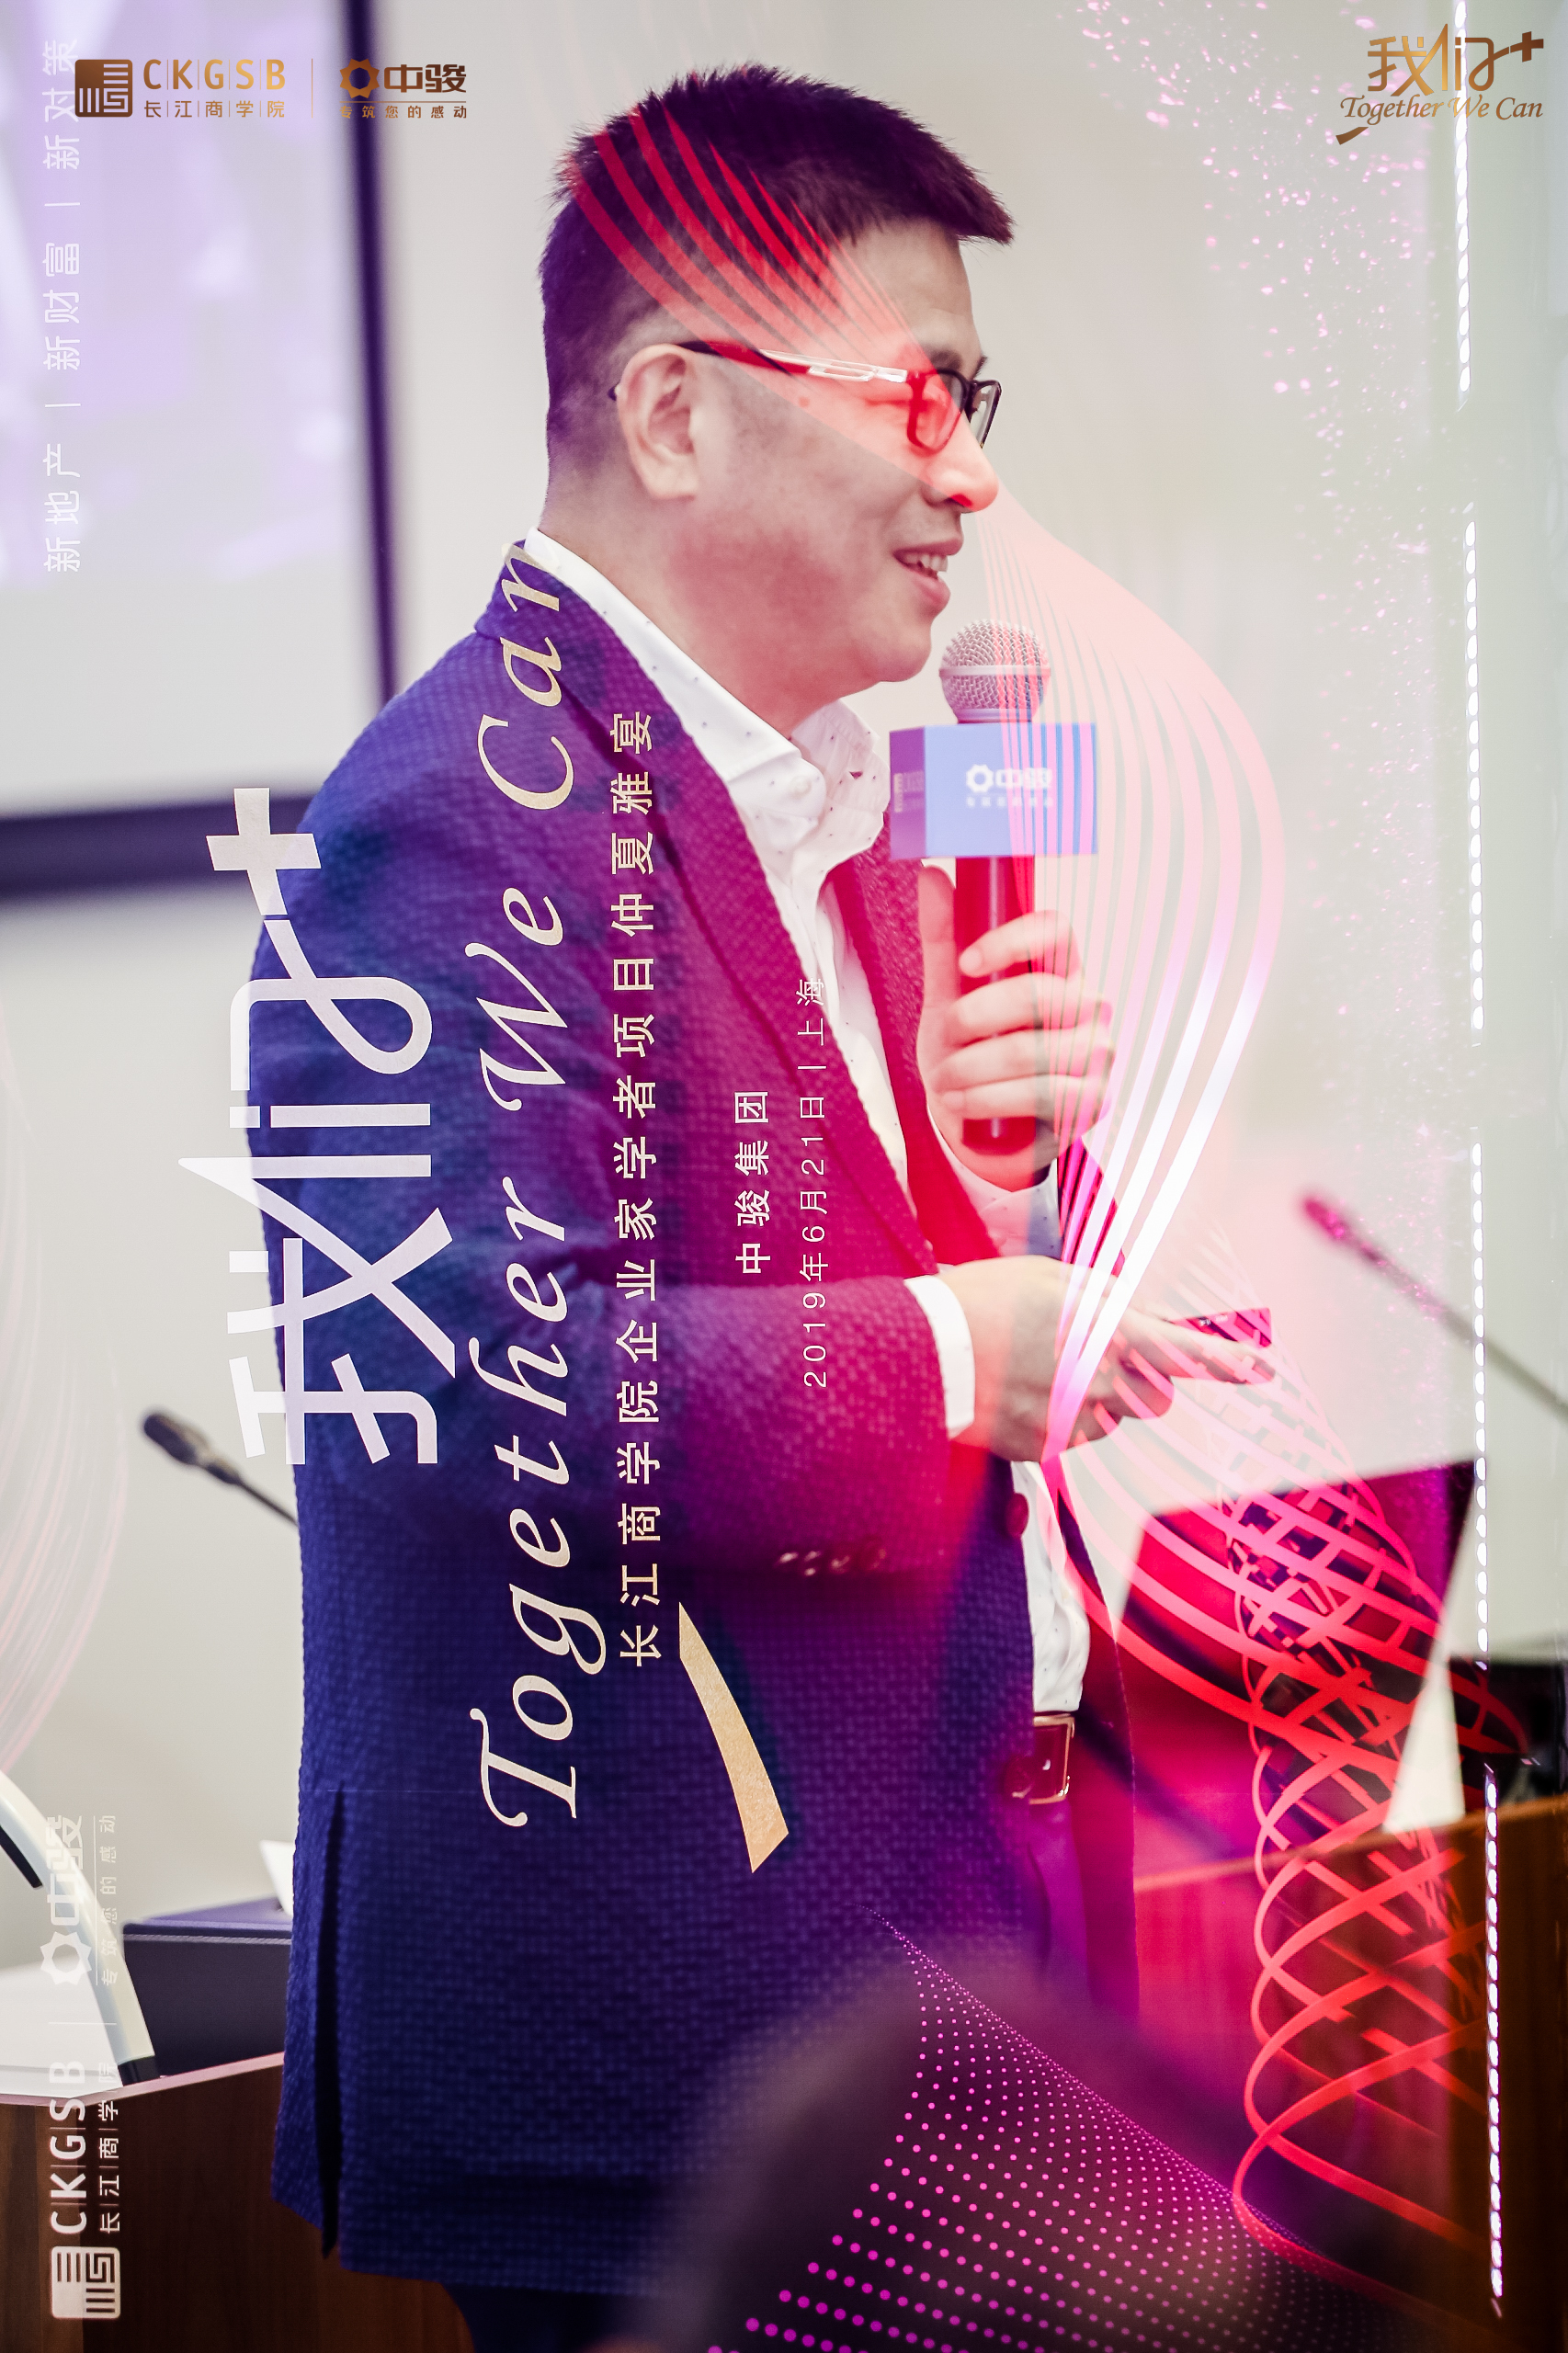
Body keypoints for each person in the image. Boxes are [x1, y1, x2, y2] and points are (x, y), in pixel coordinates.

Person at [244, 64, 1263, 2353]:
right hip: (658, 2067)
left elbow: (924, 1297)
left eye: (974, 398)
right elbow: (467, 1376)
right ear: (676, 414)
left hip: (922, 1998)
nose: (967, 471)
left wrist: (1010, 1186)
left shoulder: (873, 813)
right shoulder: (446, 820)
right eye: (913, 393)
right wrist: (954, 1347)